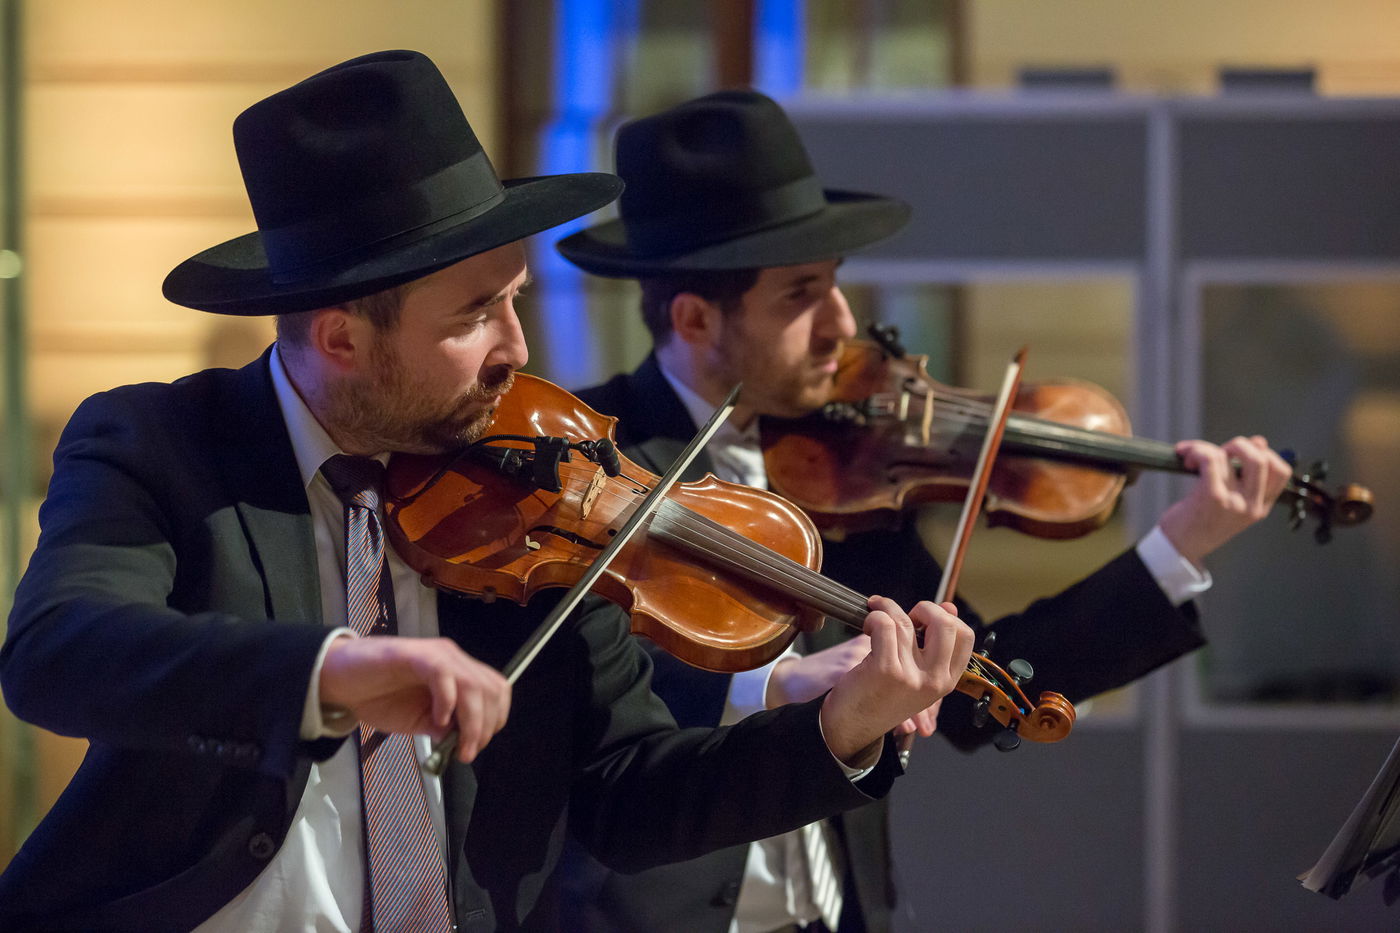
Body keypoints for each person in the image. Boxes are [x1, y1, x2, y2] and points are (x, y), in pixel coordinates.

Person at [0, 54, 976, 933]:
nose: (517, 349)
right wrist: (327, 673)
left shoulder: (534, 498)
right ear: (342, 337)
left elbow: (628, 796)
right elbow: (58, 652)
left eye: (514, 299)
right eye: (475, 314)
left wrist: (837, 729)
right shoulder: (164, 444)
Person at [553, 89, 1294, 933]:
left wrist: (1179, 544)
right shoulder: (591, 466)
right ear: (694, 318)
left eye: (836, 287)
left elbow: (986, 686)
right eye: (801, 296)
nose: (843, 324)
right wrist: (771, 685)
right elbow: (585, 713)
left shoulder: (842, 473)